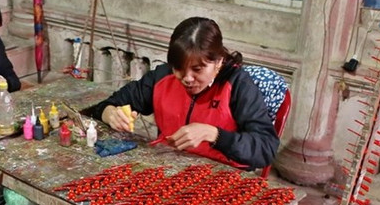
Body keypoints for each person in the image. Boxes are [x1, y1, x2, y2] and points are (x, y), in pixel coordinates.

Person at [93, 17, 279, 170]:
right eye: (179, 68)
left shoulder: (238, 85)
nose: (187, 78)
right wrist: (109, 114)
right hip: (167, 169)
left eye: (197, 69)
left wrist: (215, 135)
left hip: (221, 178)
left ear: (218, 62)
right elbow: (106, 105)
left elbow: (265, 149)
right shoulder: (162, 77)